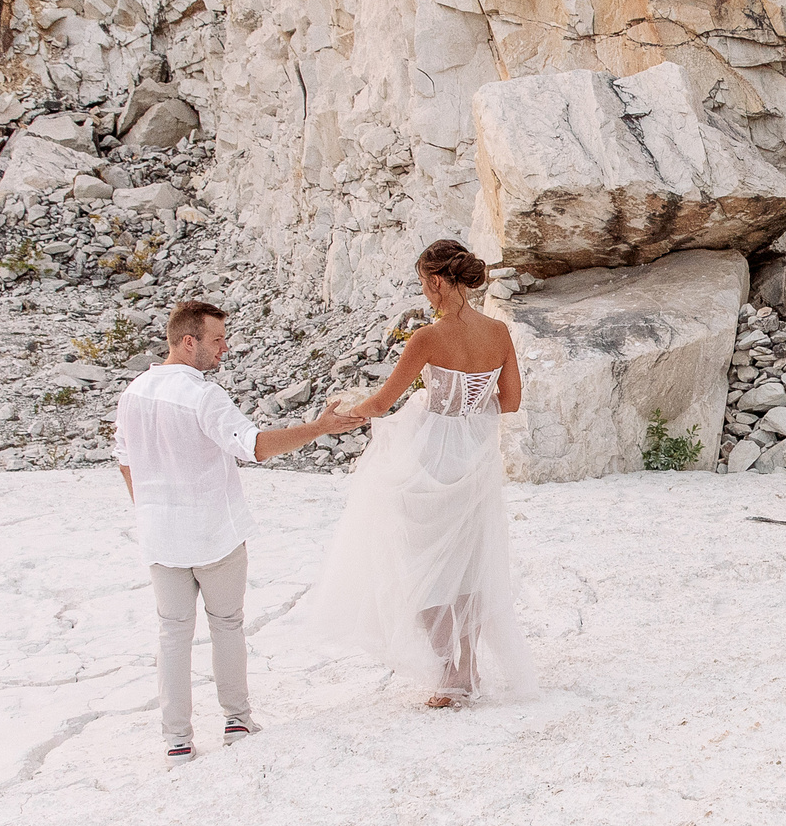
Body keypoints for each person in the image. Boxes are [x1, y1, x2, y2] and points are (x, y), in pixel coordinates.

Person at [115, 299, 364, 767]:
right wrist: (319, 427)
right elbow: (255, 447)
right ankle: (236, 720)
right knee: (226, 624)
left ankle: (176, 741)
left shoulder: (134, 392)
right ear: (188, 342)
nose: (224, 349)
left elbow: (125, 461)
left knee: (172, 635)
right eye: (216, 340)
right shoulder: (202, 395)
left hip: (160, 536)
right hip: (214, 532)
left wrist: (150, 511)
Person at [307, 239, 538, 708]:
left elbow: (381, 403)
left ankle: (448, 673)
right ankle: (469, 665)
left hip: (431, 452)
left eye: (423, 284)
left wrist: (340, 415)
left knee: (422, 561)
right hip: (474, 452)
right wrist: (471, 406)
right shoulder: (498, 332)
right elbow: (511, 401)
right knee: (468, 561)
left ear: (436, 281)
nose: (424, 293)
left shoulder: (428, 338)